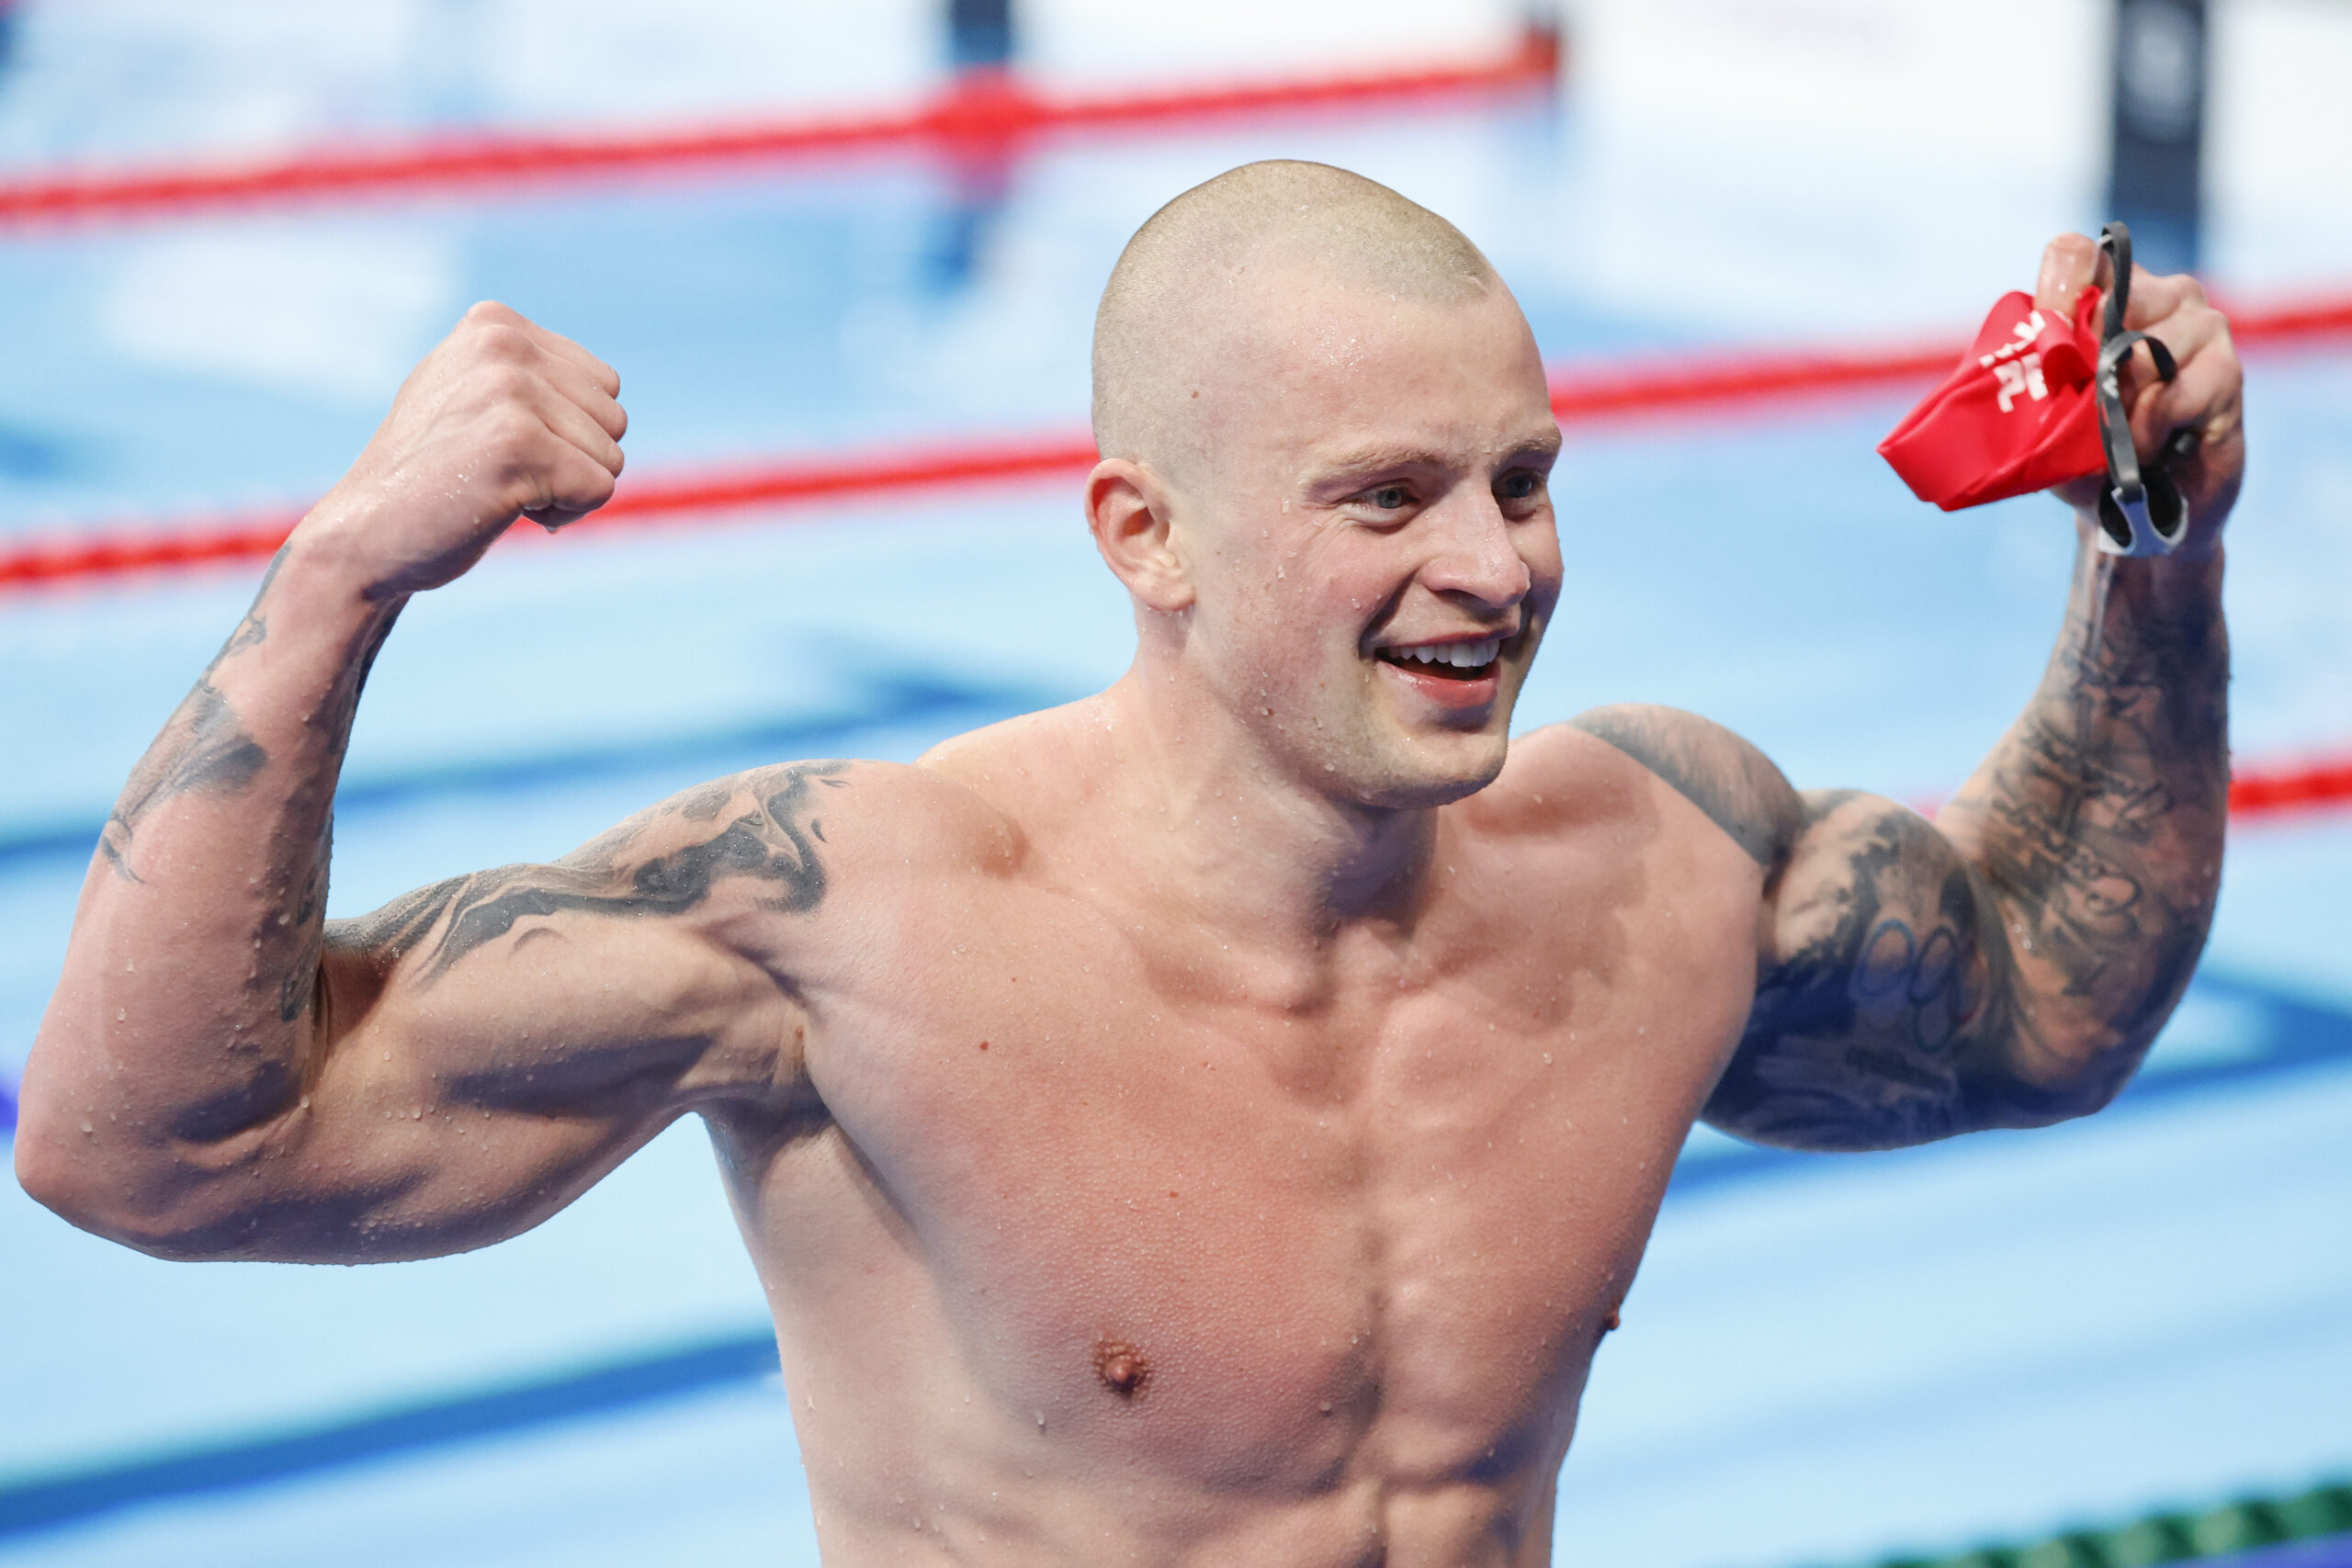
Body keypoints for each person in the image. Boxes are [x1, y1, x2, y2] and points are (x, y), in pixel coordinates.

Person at [16, 162, 2237, 1564]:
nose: (1496, 564)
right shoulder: (840, 921)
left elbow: (2041, 1002)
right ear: (1140, 535)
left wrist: (2149, 554)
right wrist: (332, 585)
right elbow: (157, 1155)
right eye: (1387, 497)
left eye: (1523, 475)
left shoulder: (1653, 857)